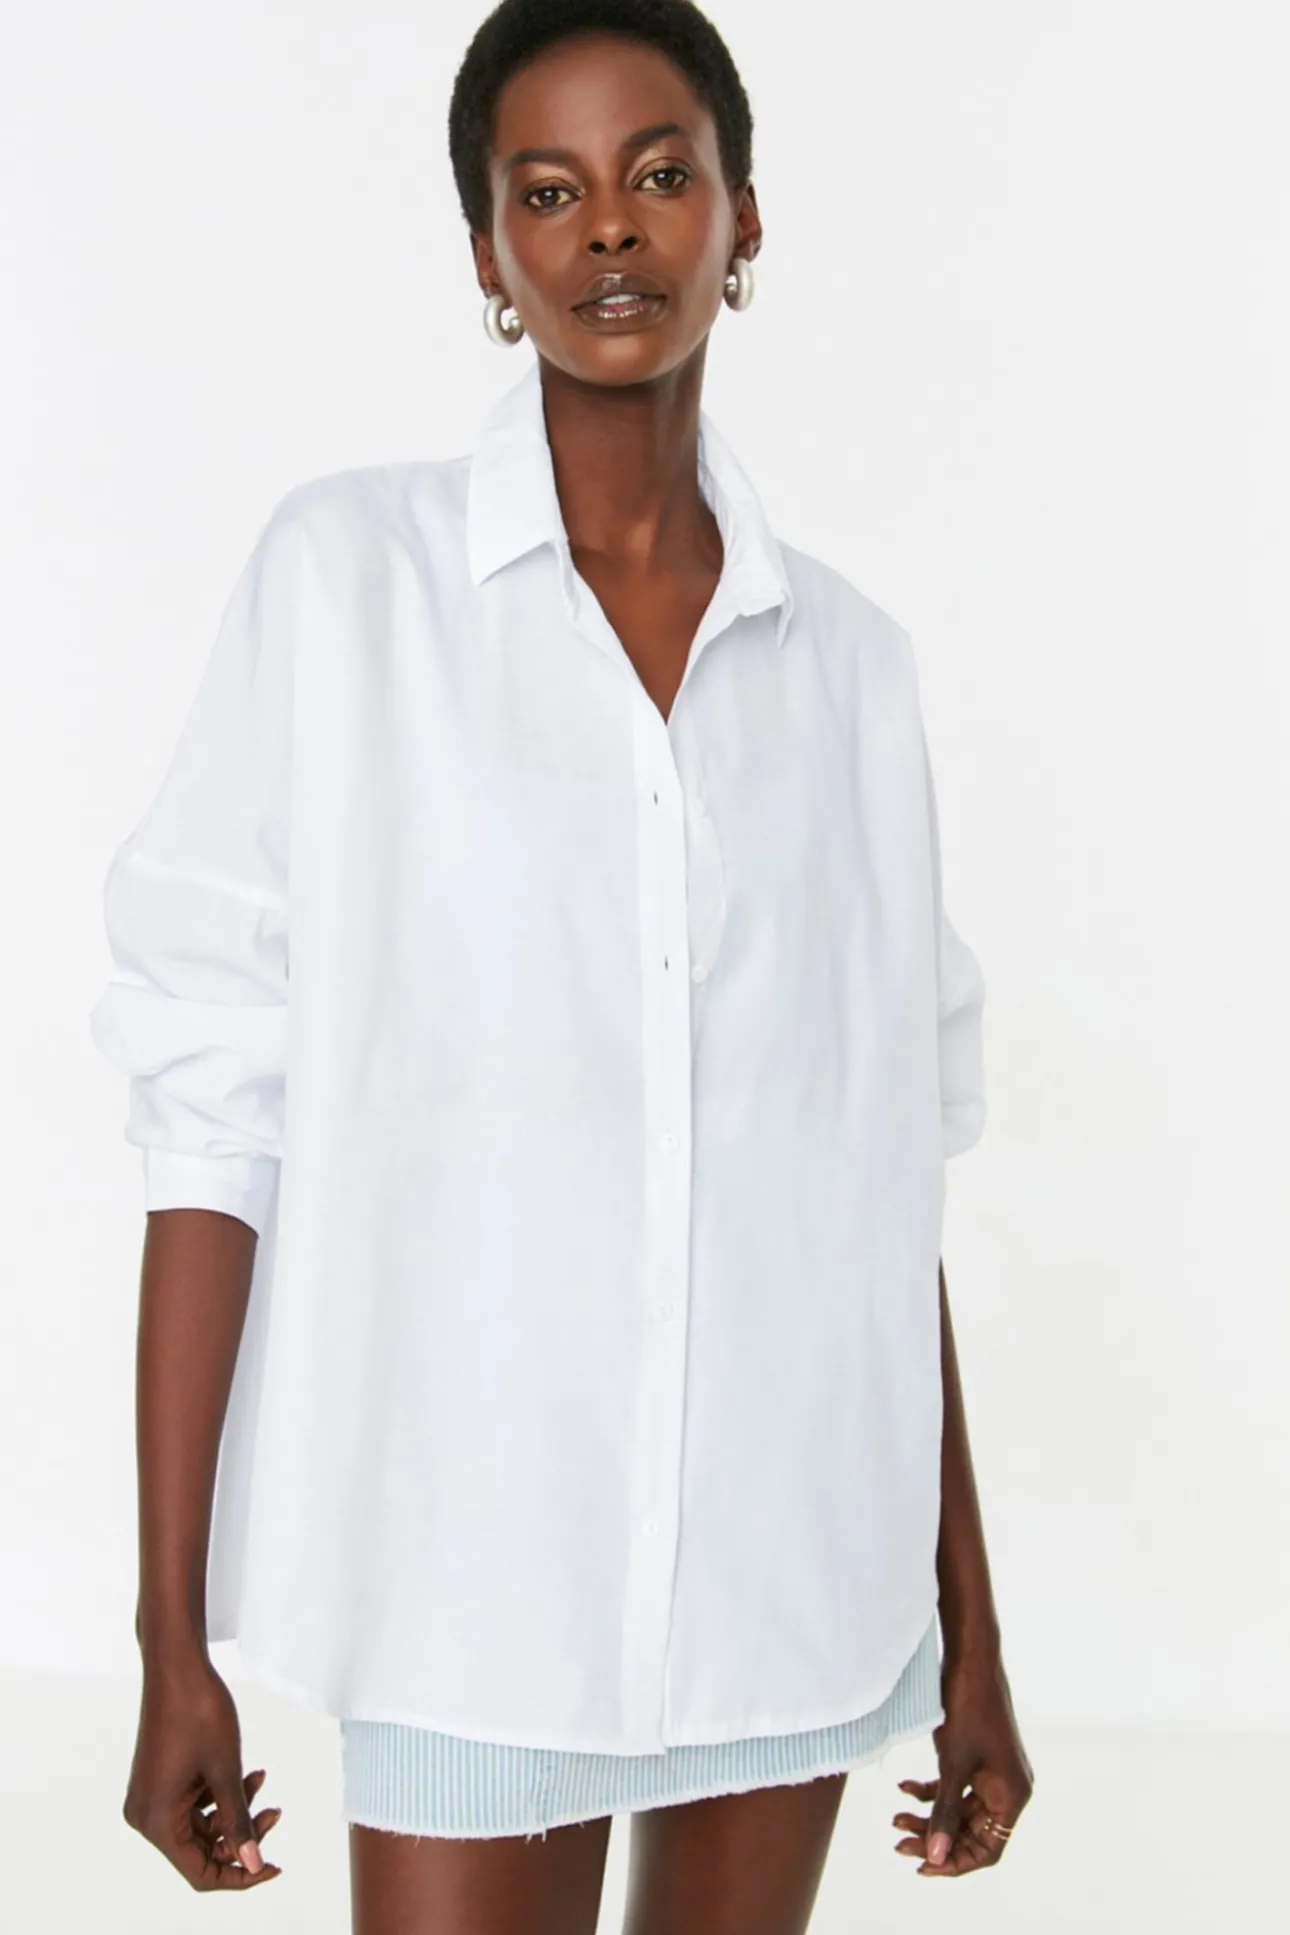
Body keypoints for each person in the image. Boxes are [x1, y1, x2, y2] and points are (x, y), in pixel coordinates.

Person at [89, 1, 1034, 1928]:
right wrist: (168, 1634)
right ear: (488, 257)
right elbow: (214, 1120)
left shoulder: (849, 672)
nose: (610, 227)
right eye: (549, 191)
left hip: (789, 1588)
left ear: (741, 220)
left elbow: (871, 1189)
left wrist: (972, 1630)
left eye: (660, 174)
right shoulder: (346, 589)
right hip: (467, 1590)